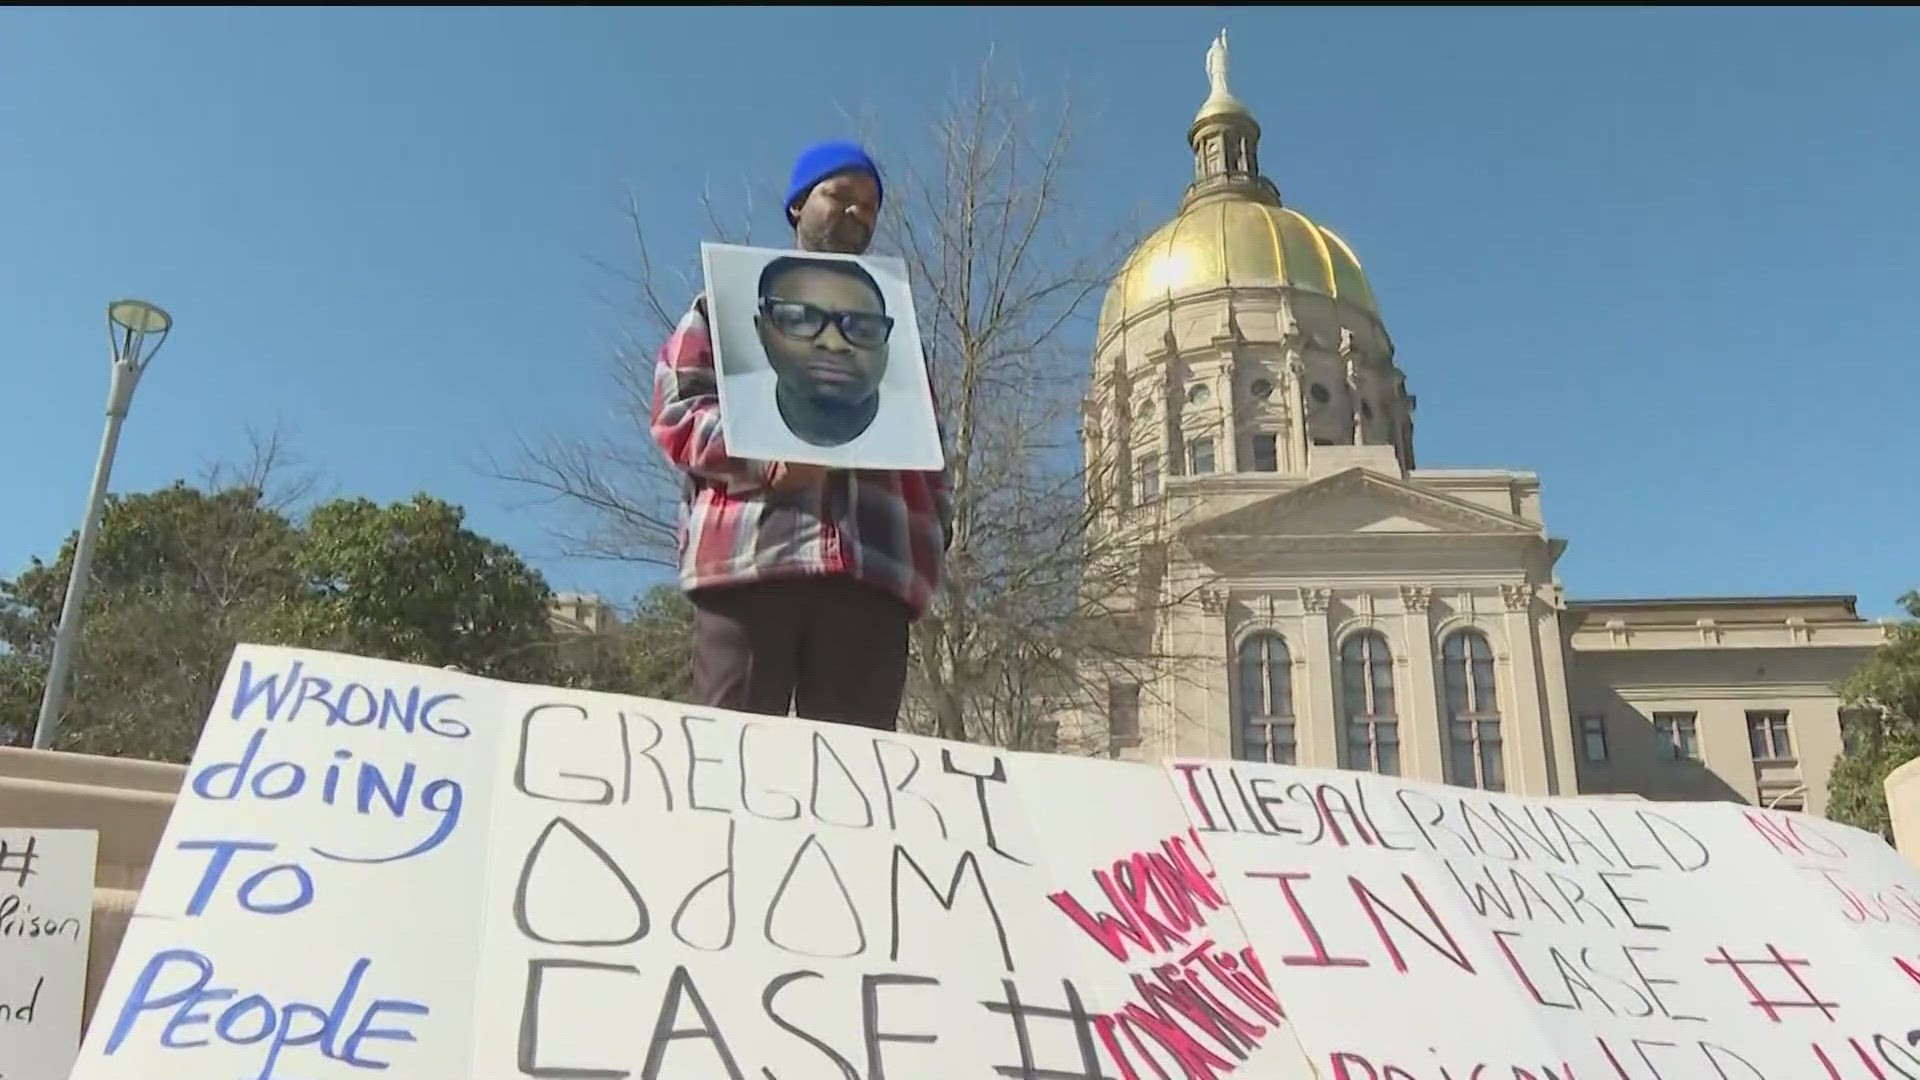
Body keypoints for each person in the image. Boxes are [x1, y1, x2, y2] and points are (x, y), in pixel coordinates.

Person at [650, 140, 951, 731]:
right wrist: (764, 460)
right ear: (797, 206)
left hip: (873, 579)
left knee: (857, 784)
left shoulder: (902, 345)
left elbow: (932, 462)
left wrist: (931, 541)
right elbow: (677, 408)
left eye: (869, 205)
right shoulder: (724, 307)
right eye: (838, 196)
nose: (855, 212)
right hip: (749, 566)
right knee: (727, 763)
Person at [752, 255, 894, 447]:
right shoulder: (726, 415)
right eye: (799, 320)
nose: (833, 343)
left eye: (862, 329)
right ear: (761, 329)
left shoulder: (921, 439)